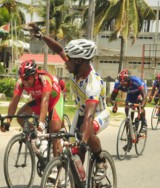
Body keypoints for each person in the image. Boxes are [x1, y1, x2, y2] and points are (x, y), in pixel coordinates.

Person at [27, 22, 110, 178]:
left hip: (98, 114)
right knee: (75, 155)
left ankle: (100, 160)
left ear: (78, 61)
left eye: (69, 60)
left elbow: (90, 116)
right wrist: (42, 36)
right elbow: (59, 49)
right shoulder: (76, 67)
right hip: (80, 113)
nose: (66, 63)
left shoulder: (93, 84)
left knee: (87, 134)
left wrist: (82, 140)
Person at [0, 60, 63, 156]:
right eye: (22, 78)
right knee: (20, 116)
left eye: (27, 78)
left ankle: (56, 165)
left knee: (54, 130)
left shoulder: (44, 78)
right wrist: (8, 121)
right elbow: (14, 102)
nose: (25, 81)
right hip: (39, 101)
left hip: (54, 100)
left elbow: (45, 101)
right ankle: (36, 139)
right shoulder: (21, 83)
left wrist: (41, 124)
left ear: (35, 75)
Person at [110, 69, 148, 133]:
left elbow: (144, 95)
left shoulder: (136, 81)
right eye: (121, 82)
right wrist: (114, 105)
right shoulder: (118, 84)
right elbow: (112, 97)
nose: (123, 84)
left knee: (139, 102)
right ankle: (130, 136)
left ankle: (144, 124)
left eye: (125, 82)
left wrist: (142, 106)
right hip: (130, 94)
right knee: (128, 112)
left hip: (140, 92)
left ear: (128, 80)